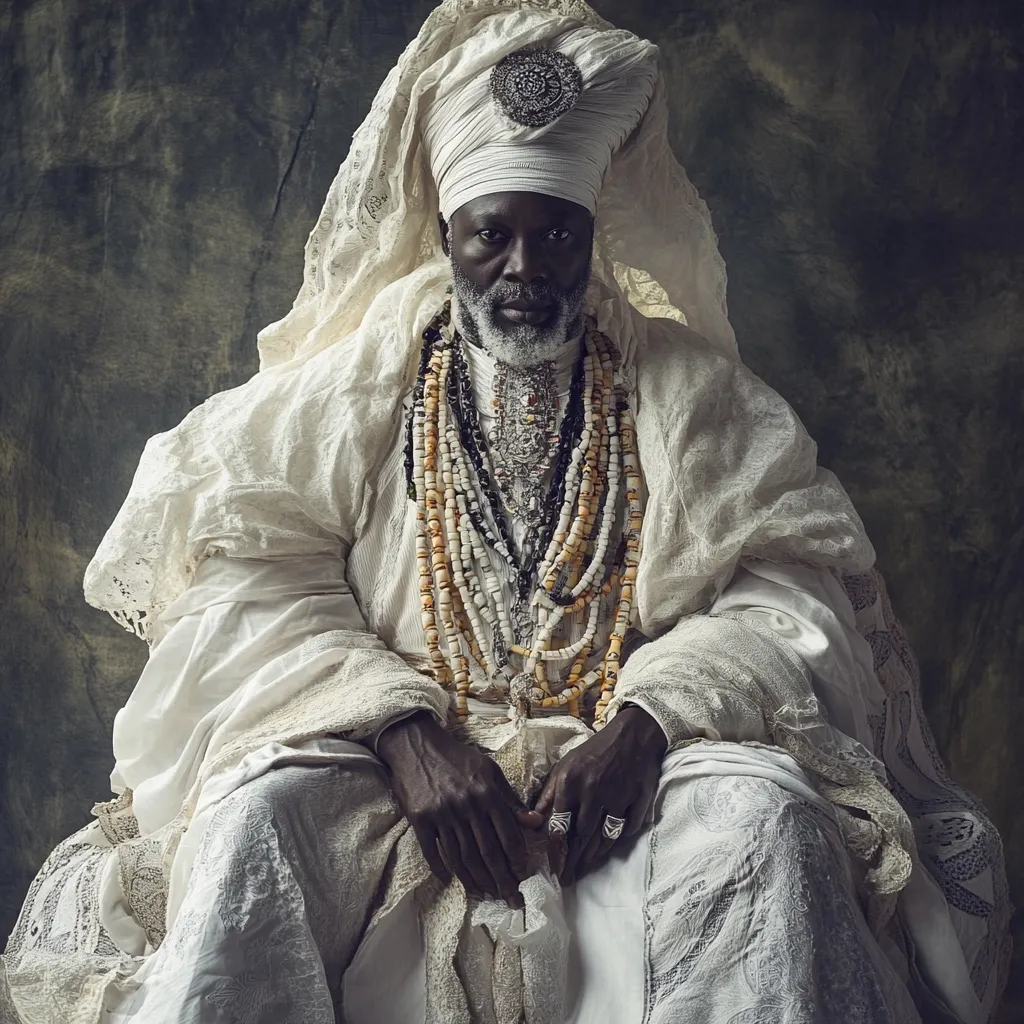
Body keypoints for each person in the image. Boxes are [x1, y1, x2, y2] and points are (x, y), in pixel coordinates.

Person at [0, 1, 1010, 1022]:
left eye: (556, 235)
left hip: (625, 787)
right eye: (494, 237)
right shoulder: (348, 389)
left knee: (766, 817)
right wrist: (403, 731)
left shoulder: (693, 396)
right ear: (447, 233)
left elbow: (786, 593)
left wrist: (649, 721)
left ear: (591, 231)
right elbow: (246, 582)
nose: (525, 270)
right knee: (257, 817)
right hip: (386, 774)